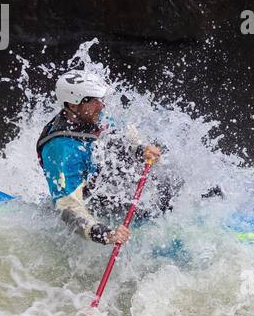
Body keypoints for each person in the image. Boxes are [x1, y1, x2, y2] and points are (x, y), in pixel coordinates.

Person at [37, 70, 163, 245]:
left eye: (100, 99)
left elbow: (119, 137)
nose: (102, 106)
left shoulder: (91, 116)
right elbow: (69, 209)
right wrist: (106, 234)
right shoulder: (61, 150)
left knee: (168, 190)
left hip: (104, 182)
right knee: (152, 217)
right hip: (92, 205)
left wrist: (141, 149)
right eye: (94, 100)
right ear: (73, 105)